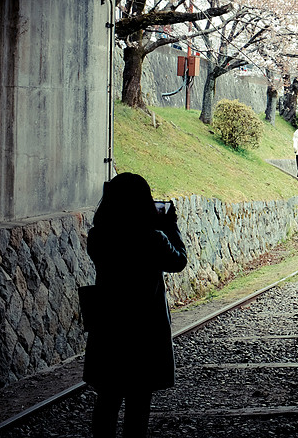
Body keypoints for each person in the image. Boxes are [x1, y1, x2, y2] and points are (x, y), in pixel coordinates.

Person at [83, 173, 187, 438]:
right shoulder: (152, 239)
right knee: (138, 405)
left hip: (108, 327)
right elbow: (179, 261)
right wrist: (169, 225)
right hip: (143, 330)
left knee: (107, 400)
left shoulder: (98, 237)